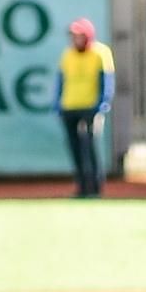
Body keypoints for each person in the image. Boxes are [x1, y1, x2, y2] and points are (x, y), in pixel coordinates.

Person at [56, 17, 113, 198]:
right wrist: (57, 104)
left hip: (90, 107)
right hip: (70, 106)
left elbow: (107, 81)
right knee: (75, 148)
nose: (75, 39)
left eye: (79, 35)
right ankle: (81, 187)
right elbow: (61, 81)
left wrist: (102, 104)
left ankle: (94, 187)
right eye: (73, 35)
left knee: (89, 147)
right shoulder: (67, 54)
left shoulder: (100, 53)